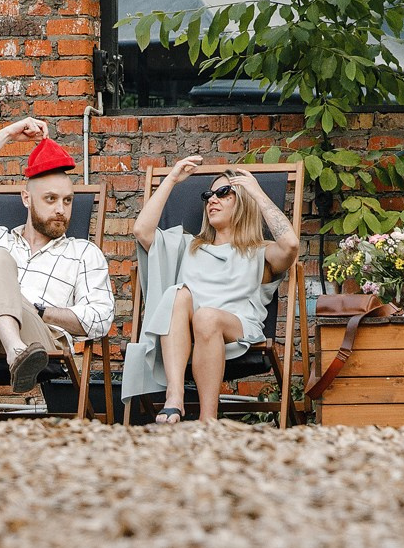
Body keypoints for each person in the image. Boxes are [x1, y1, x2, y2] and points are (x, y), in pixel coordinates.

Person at [0, 118, 114, 427]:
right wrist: (7, 134)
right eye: (51, 198)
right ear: (26, 197)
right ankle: (14, 348)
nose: (61, 208)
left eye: (68, 200)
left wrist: (38, 310)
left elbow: (100, 318)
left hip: (39, 341)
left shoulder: (84, 253)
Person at [121, 156, 298, 423]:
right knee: (178, 294)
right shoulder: (189, 246)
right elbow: (141, 230)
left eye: (224, 193)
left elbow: (291, 245)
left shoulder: (260, 252)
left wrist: (257, 193)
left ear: (243, 201)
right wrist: (171, 179)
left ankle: (207, 420)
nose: (212, 200)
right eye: (208, 195)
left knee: (207, 316)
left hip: (237, 329)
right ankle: (175, 396)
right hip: (187, 335)